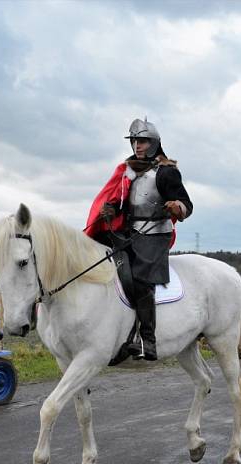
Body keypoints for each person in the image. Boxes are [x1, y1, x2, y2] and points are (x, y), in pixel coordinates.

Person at [85, 117, 192, 361]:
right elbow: (119, 200)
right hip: (131, 231)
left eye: (142, 141)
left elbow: (187, 205)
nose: (137, 146)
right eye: (134, 141)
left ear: (154, 143)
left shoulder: (166, 173)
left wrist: (177, 207)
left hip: (156, 233)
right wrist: (111, 209)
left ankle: (147, 340)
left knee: (142, 280)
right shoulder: (128, 172)